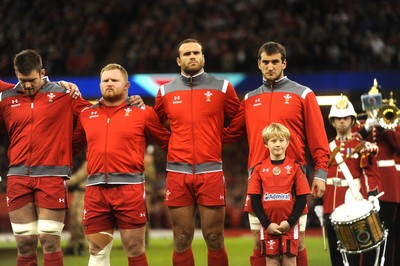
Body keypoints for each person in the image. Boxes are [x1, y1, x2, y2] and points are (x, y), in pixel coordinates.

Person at [223, 41, 330, 266]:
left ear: (284, 63)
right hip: (258, 180)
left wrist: (320, 173)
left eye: (275, 62)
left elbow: (318, 138)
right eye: (266, 62)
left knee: (297, 244)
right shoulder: (250, 98)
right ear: (259, 64)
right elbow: (230, 134)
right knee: (259, 244)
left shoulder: (303, 94)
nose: (270, 66)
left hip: (294, 179)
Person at [0, 49, 92, 265]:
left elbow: (94, 117)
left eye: (32, 80)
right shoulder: (6, 96)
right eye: (22, 81)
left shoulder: (64, 94)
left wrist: (71, 146)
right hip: (18, 178)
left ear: (42, 72)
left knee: (50, 243)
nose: (27, 85)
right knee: (25, 245)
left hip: (52, 177)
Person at [153, 38, 240, 266]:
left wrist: (220, 140)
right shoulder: (165, 91)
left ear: (203, 57)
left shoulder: (222, 87)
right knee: (181, 239)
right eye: (187, 54)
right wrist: (171, 144)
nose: (192, 57)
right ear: (178, 60)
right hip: (177, 173)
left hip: (210, 172)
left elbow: (240, 120)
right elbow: (153, 125)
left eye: (196, 53)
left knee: (214, 237)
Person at [73, 63, 170, 266]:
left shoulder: (143, 113)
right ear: (99, 84)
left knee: (135, 249)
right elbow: (71, 147)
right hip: (96, 191)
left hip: (130, 190)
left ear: (126, 85)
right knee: (96, 251)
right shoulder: (86, 115)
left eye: (114, 80)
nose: (109, 84)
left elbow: (167, 142)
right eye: (105, 80)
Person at [320, 97, 381, 265]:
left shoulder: (362, 145)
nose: (341, 121)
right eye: (338, 118)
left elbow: (370, 173)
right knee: (335, 253)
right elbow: (321, 175)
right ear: (332, 121)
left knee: (355, 253)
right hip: (330, 205)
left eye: (345, 118)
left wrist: (372, 195)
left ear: (352, 120)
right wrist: (319, 202)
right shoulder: (326, 147)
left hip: (352, 204)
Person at [248, 123, 310, 266]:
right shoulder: (259, 169)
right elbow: (255, 199)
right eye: (273, 141)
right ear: (266, 144)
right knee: (271, 262)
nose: (277, 144)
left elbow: (302, 198)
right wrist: (266, 224)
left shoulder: (295, 167)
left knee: (290, 261)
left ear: (287, 142)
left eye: (281, 140)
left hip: (290, 223)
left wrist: (290, 222)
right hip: (268, 225)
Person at [354, 88, 400, 266]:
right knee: (366, 236)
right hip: (365, 188)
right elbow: (350, 144)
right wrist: (367, 128)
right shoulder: (361, 126)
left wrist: (385, 126)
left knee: (391, 234)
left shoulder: (393, 124)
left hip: (390, 187)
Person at [65, 159, 88, 256]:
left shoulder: (89, 163)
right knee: (73, 220)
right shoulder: (84, 162)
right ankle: (72, 244)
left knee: (79, 220)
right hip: (77, 192)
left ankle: (80, 244)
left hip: (84, 193)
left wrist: (63, 182)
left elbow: (79, 176)